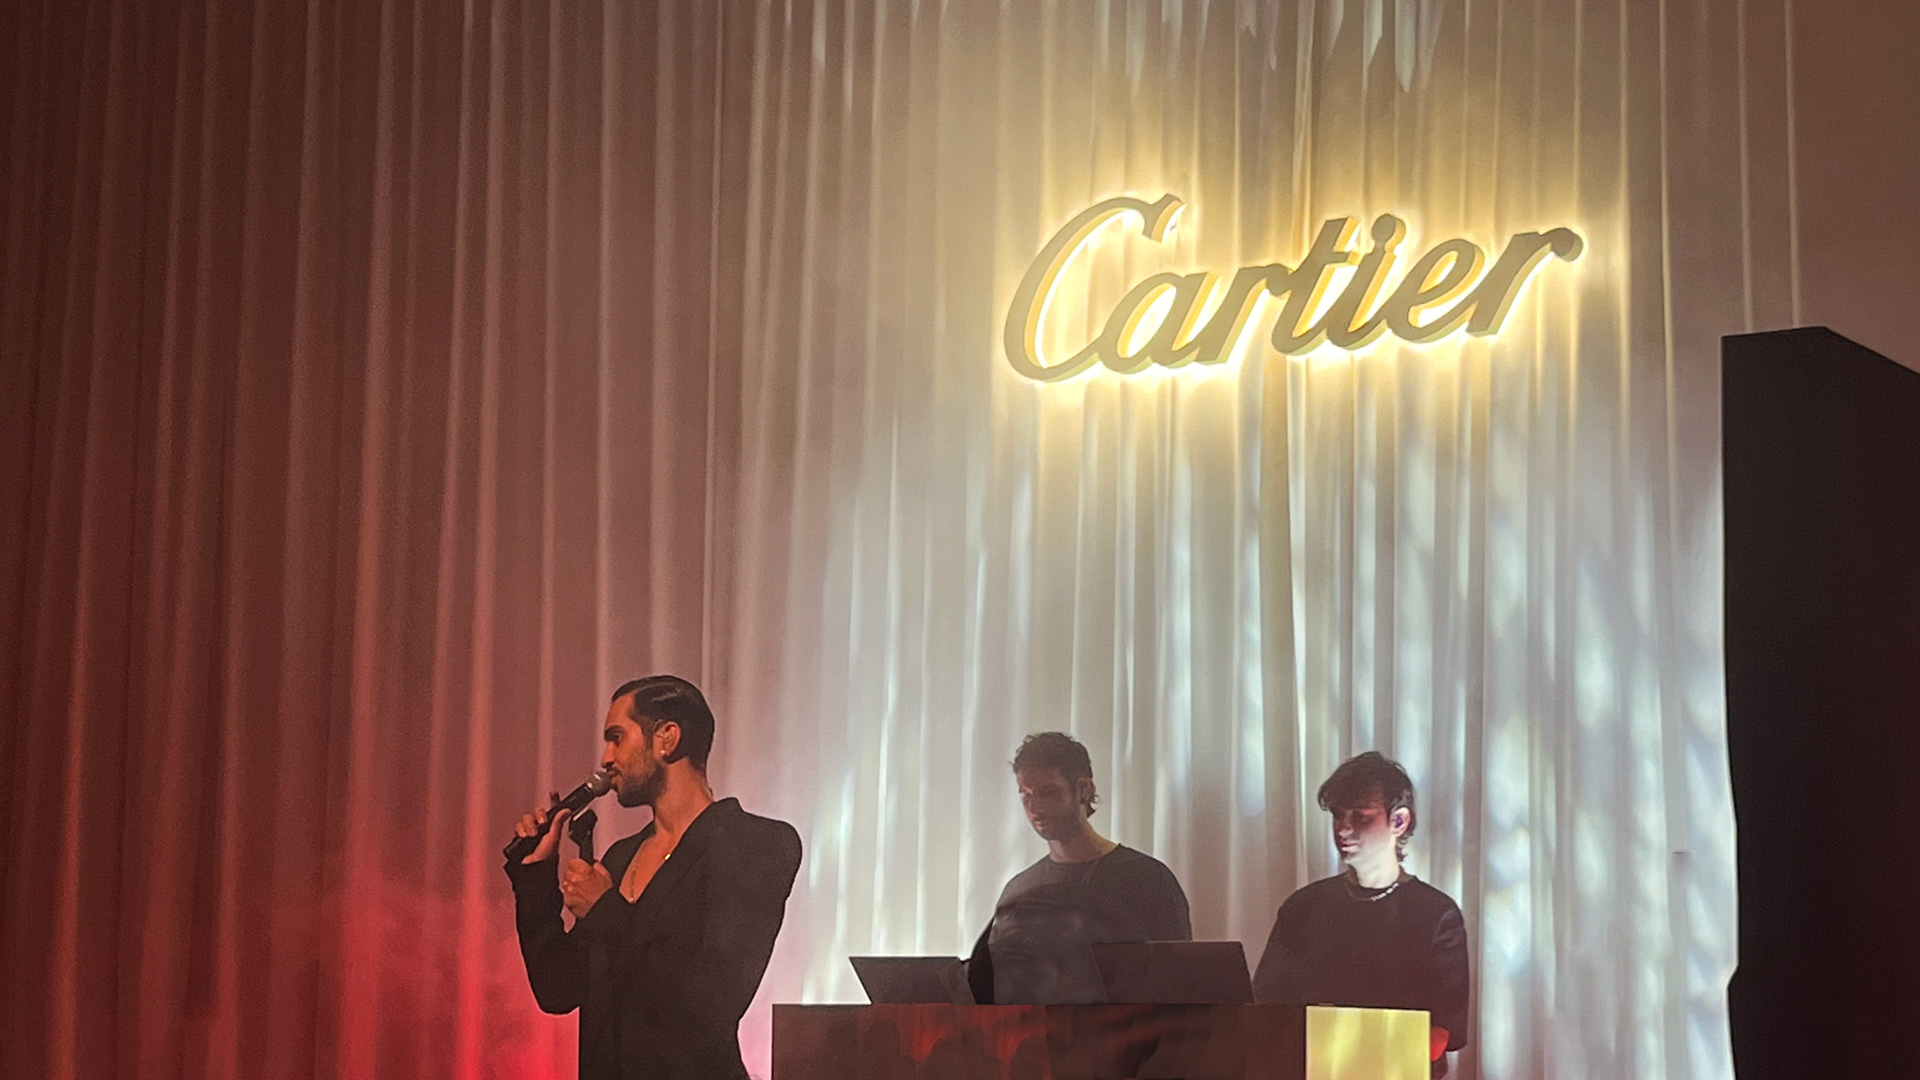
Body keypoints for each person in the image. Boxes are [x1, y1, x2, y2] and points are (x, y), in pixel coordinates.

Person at [505, 675, 802, 1080]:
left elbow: (713, 1001)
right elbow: (558, 989)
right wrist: (536, 877)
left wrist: (606, 911)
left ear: (667, 738)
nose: (605, 759)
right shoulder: (621, 857)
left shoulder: (754, 843)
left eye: (616, 738)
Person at [1252, 751, 1470, 1076]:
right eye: (1338, 815)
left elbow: (1442, 1031)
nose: (1343, 828)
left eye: (1361, 816)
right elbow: (1266, 1010)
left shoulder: (1437, 915)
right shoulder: (1303, 907)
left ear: (1399, 821)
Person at [966, 732, 1192, 1004]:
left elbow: (1176, 984)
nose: (1035, 807)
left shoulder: (1148, 879)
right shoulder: (1020, 889)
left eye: (1048, 792)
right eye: (1026, 796)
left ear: (1084, 789)